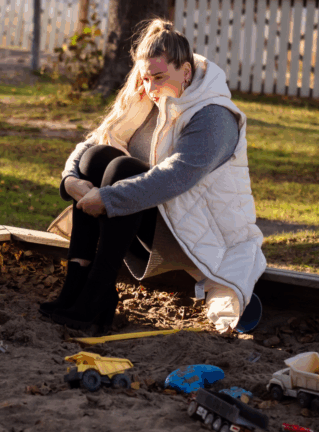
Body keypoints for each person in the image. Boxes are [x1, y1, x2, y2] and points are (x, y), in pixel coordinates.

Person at [40, 18, 266, 333]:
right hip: (159, 220)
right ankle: (78, 289)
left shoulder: (213, 116)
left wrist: (106, 198)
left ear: (186, 72)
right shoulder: (146, 100)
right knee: (97, 158)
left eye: (159, 77)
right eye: (146, 78)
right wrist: (70, 180)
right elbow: (93, 142)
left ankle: (96, 294)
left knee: (124, 169)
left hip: (200, 235)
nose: (150, 88)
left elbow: (175, 177)